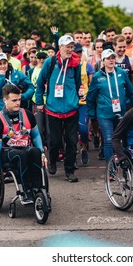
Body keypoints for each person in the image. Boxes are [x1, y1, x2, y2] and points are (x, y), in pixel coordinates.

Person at [0, 84, 47, 204]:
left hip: (26, 148)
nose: (18, 103)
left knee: (35, 151)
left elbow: (36, 136)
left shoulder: (28, 114)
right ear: (5, 100)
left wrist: (41, 152)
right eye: (14, 100)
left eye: (19, 100)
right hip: (8, 153)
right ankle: (26, 192)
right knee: (21, 155)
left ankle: (37, 189)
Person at [35, 34, 81, 182]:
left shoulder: (76, 64)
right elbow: (40, 83)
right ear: (60, 47)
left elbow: (78, 82)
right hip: (53, 109)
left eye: (71, 47)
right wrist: (39, 101)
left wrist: (78, 96)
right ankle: (53, 160)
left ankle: (70, 170)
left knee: (72, 141)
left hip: (71, 109)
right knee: (54, 141)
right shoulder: (50, 62)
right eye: (67, 46)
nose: (70, 49)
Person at [87, 49, 133, 164]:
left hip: (121, 112)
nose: (111, 60)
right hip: (104, 114)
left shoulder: (122, 73)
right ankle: (111, 168)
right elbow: (90, 97)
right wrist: (91, 114)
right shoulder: (97, 77)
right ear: (103, 61)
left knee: (121, 139)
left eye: (113, 58)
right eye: (108, 58)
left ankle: (125, 163)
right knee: (109, 140)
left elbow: (130, 91)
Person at [0, 53, 34, 118]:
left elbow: (31, 87)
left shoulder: (17, 73)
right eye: (0, 64)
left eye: (4, 63)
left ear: (7, 63)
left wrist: (23, 97)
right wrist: (0, 77)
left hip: (15, 108)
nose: (3, 66)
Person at [74, 43, 94, 165]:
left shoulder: (87, 66)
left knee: (83, 128)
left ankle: (85, 147)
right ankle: (72, 155)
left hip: (84, 102)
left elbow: (92, 84)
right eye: (76, 52)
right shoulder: (69, 66)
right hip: (72, 102)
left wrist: (90, 95)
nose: (78, 54)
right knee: (71, 131)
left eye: (80, 52)